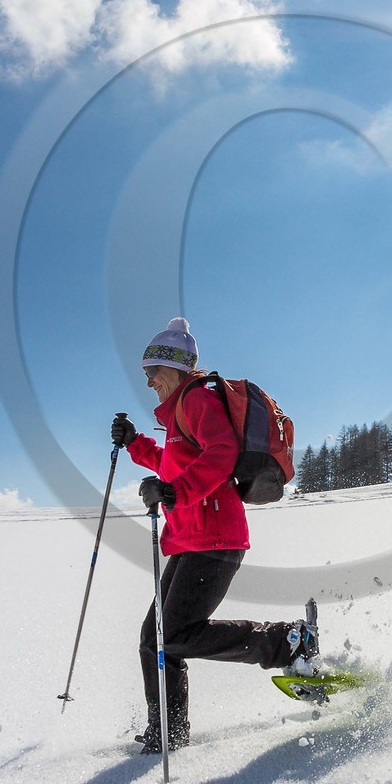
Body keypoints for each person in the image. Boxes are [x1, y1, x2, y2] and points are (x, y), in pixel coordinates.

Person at [113, 317, 319, 752]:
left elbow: (222, 453)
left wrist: (175, 491)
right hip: (192, 540)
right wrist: (135, 444)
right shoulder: (180, 413)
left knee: (175, 635)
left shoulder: (196, 399)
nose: (148, 382)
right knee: (155, 640)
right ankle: (167, 731)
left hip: (215, 540)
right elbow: (174, 464)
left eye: (152, 371)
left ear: (174, 367)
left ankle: (287, 642)